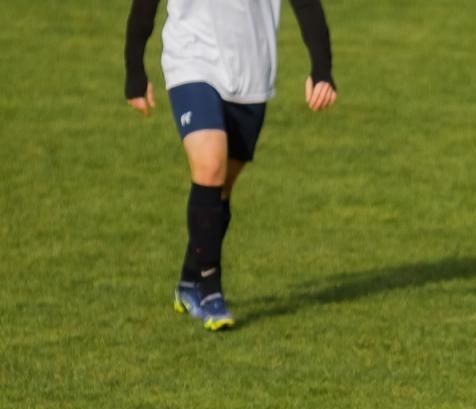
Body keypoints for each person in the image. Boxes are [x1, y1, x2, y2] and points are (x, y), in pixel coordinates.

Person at [124, 0, 337, 330]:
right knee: (210, 166)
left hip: (252, 71)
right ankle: (211, 292)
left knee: (220, 188)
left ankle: (189, 279)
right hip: (192, 60)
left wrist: (322, 70)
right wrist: (134, 70)